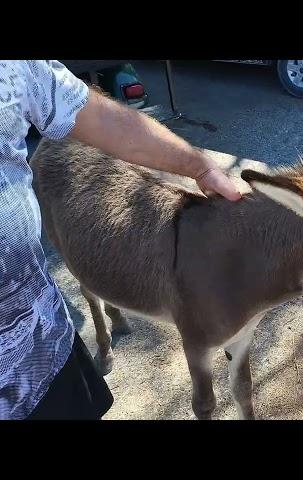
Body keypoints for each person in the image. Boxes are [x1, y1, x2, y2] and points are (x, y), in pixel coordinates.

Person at [0, 60, 241, 420]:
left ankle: (105, 326)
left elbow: (100, 117)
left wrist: (200, 167)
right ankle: (103, 325)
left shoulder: (15, 67)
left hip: (44, 351)